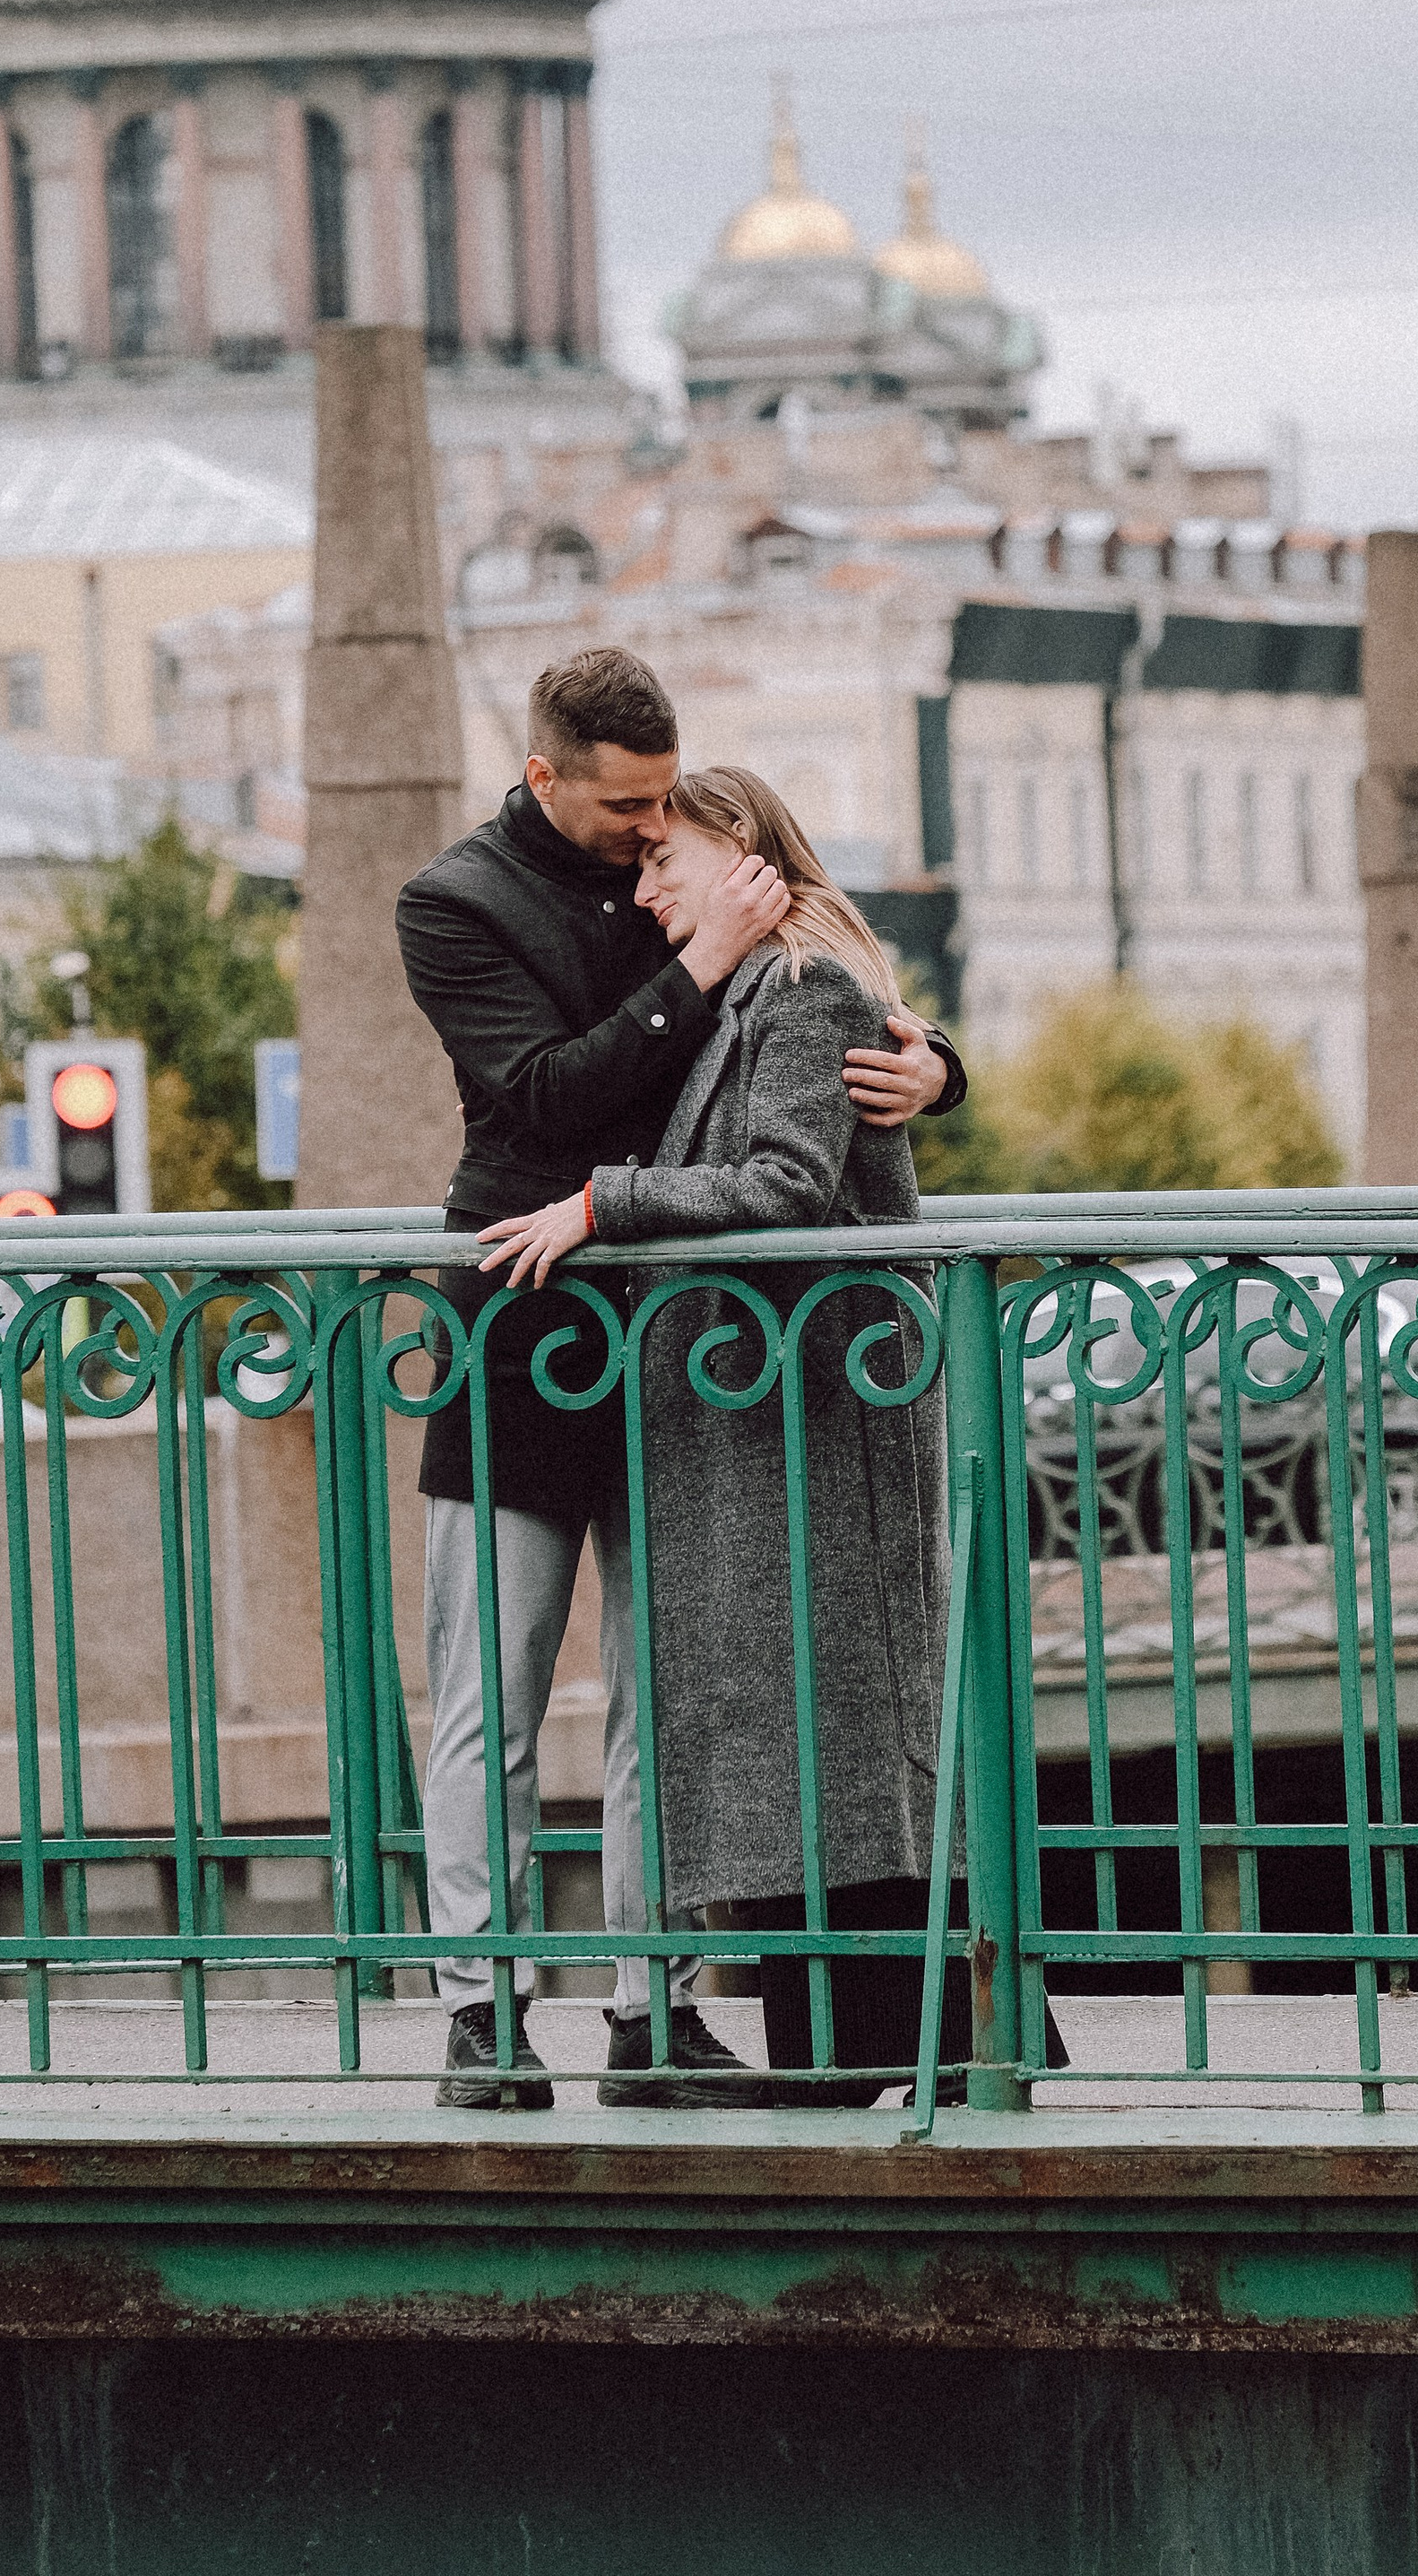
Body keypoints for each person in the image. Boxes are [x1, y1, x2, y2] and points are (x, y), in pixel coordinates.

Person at [395, 651, 964, 2110]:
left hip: (689, 1347)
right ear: (543, 779)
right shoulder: (454, 904)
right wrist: (701, 958)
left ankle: (655, 2002)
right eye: (626, 811)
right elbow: (547, 1096)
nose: (651, 840)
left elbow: (810, 1021)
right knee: (494, 1691)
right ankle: (482, 2006)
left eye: (666, 814)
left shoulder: (705, 887)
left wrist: (935, 1065)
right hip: (523, 1313)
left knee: (671, 1692)